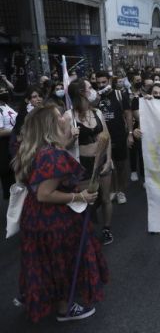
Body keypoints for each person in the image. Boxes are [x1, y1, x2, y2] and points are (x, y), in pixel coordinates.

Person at [12, 105, 107, 322]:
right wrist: (79, 197)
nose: (64, 117)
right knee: (61, 262)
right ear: (51, 124)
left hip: (35, 218)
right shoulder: (52, 155)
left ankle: (45, 298)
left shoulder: (35, 149)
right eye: (59, 116)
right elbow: (45, 194)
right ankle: (65, 308)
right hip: (53, 221)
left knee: (45, 261)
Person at [64, 79, 114, 245]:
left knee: (105, 198)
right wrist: (73, 137)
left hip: (102, 160)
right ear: (81, 93)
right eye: (90, 88)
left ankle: (106, 229)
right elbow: (62, 147)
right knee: (87, 200)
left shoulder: (97, 112)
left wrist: (108, 160)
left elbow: (107, 137)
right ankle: (87, 233)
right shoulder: (68, 116)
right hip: (83, 164)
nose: (94, 90)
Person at [96, 71, 133, 204]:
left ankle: (120, 190)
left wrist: (130, 134)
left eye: (104, 82)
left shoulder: (119, 95)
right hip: (102, 138)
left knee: (120, 165)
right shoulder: (95, 97)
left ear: (110, 81)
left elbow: (128, 114)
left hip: (119, 136)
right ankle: (111, 189)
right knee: (106, 166)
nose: (101, 85)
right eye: (99, 83)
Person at [0, 85, 17, 200]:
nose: (5, 92)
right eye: (1, 91)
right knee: (8, 176)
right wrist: (17, 131)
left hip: (13, 143)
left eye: (6, 90)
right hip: (4, 146)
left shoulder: (6, 106)